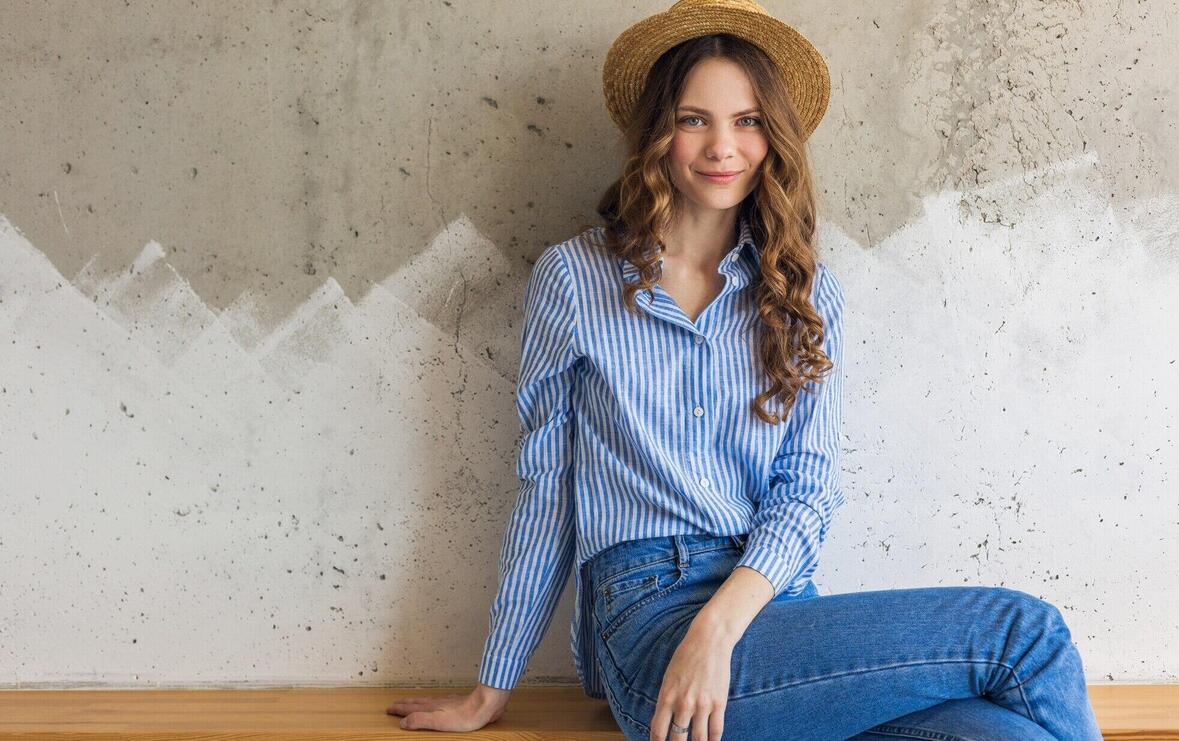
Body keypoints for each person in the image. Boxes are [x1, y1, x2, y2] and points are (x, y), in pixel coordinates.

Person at [386, 1, 1106, 739]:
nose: (722, 145)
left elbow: (807, 491)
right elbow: (547, 493)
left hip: (772, 616)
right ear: (659, 134)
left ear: (775, 137)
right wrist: (490, 686)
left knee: (1008, 733)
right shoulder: (576, 280)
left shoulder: (804, 292)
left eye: (749, 120)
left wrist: (718, 630)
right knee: (1026, 632)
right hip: (648, 623)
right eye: (696, 119)